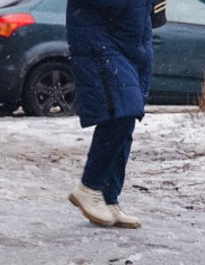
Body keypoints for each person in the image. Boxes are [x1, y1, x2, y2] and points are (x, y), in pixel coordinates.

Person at [65, 0, 156, 229]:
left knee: (127, 117)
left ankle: (108, 197)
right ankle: (90, 187)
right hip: (101, 39)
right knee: (122, 110)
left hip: (133, 43)